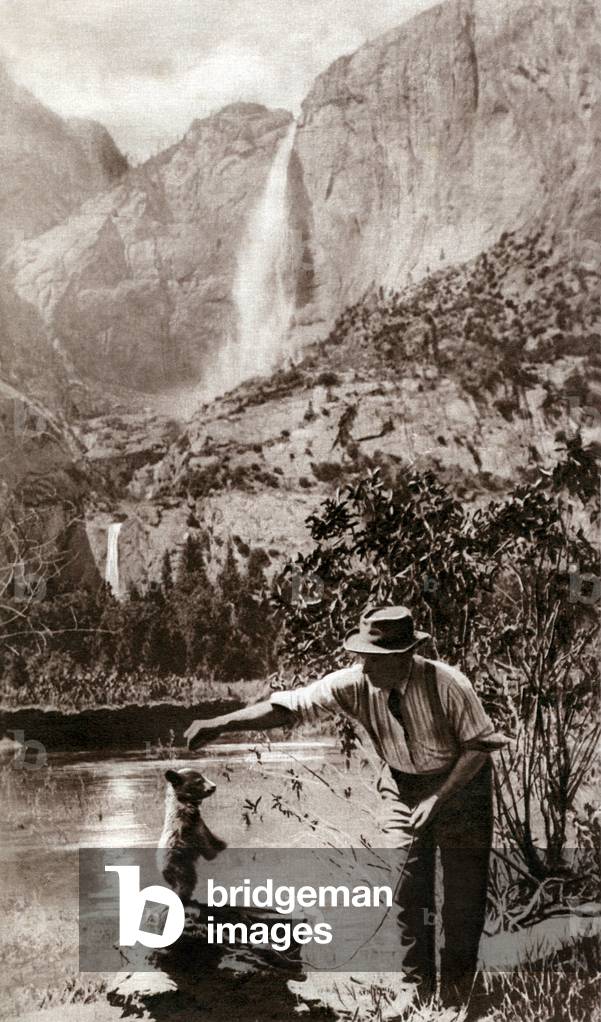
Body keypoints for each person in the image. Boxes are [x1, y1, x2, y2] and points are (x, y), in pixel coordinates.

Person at [185, 604, 507, 1008]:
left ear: (404, 656)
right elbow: (289, 706)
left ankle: (458, 996)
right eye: (363, 659)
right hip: (403, 785)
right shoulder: (355, 684)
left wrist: (439, 798)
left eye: (375, 660)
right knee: (409, 886)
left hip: (463, 785)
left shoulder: (448, 684)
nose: (365, 669)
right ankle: (417, 991)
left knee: (464, 892)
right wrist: (219, 724)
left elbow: (480, 745)